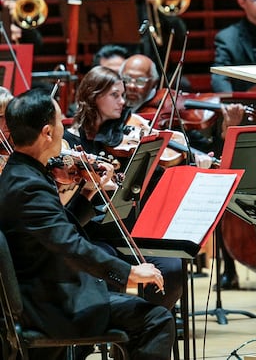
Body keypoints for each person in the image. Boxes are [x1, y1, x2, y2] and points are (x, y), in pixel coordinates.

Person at [0, 89, 174, 359]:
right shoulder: (29, 186)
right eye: (60, 122)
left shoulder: (21, 173)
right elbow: (70, 245)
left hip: (47, 295)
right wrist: (129, 272)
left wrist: (87, 193)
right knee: (156, 320)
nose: (64, 128)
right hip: (50, 307)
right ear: (47, 132)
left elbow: (56, 228)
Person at [64, 66, 184, 310]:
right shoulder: (70, 141)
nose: (123, 101)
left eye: (122, 94)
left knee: (172, 269)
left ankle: (145, 330)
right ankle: (117, 330)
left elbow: (154, 178)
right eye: (114, 95)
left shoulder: (126, 134)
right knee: (105, 272)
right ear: (93, 96)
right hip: (94, 234)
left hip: (130, 230)